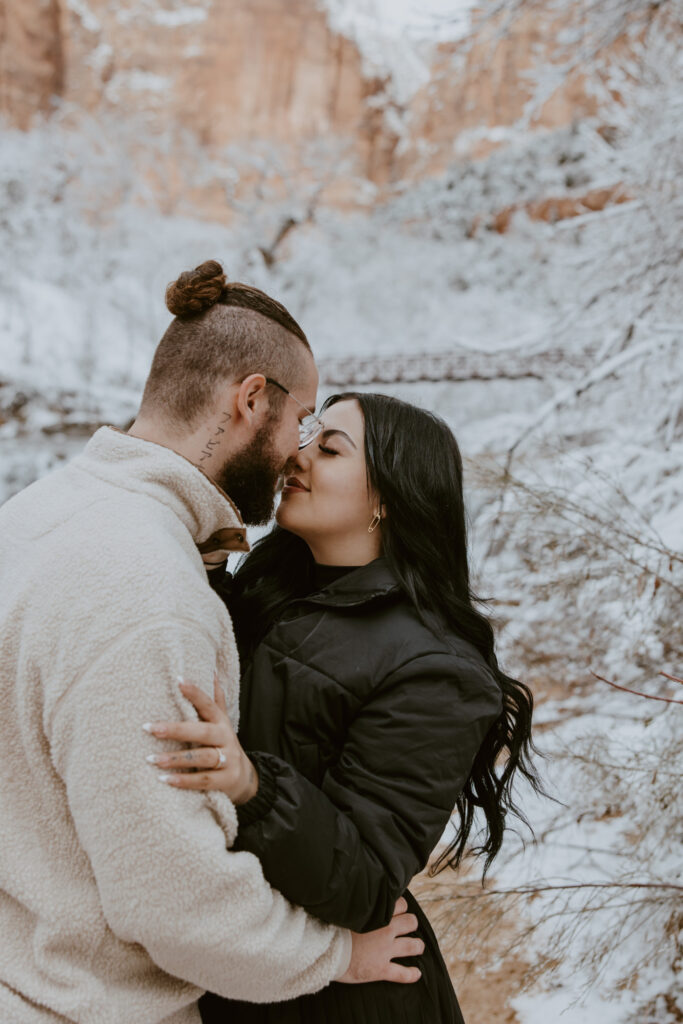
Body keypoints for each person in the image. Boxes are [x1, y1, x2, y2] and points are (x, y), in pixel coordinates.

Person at [0, 260, 422, 1024]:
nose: (298, 450)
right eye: (303, 421)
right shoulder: (149, 590)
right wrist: (333, 955)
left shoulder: (36, 513)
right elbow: (171, 898)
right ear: (251, 399)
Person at [143, 386, 540, 1023]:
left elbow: (367, 882)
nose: (297, 459)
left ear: (387, 496)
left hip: (347, 997)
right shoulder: (271, 589)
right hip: (245, 963)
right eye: (307, 439)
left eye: (330, 449)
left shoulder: (438, 669)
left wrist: (254, 785)